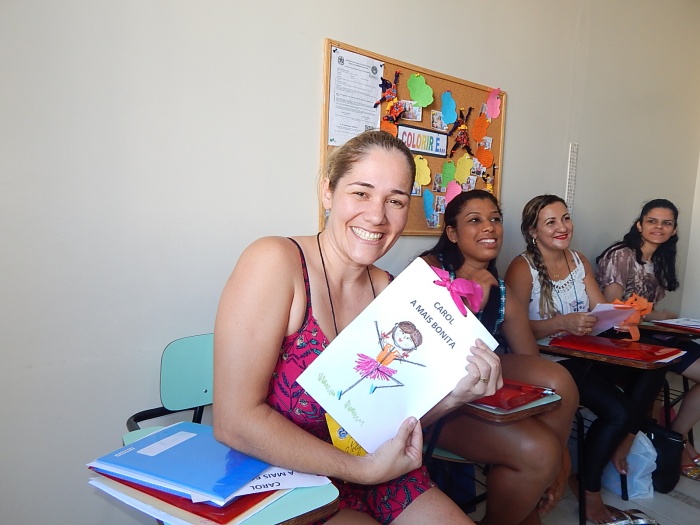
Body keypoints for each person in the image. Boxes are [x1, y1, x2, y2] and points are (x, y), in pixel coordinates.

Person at [213, 130, 499, 525]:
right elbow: (234, 422)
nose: (377, 216)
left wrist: (454, 397)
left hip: (374, 470)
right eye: (361, 193)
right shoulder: (275, 262)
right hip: (285, 479)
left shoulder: (392, 292)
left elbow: (384, 425)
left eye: (395, 201)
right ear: (327, 192)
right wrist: (363, 471)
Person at [420, 190, 580, 525]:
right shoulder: (428, 269)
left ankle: (546, 470)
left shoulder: (501, 290)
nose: (489, 227)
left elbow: (533, 364)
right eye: (474, 220)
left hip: (476, 389)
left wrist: (562, 456)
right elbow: (423, 352)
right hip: (432, 402)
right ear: (452, 233)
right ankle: (534, 488)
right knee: (538, 451)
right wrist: (470, 299)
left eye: (495, 219)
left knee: (559, 380)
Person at [505, 194, 664, 524]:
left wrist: (619, 317)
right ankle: (589, 491)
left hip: (587, 349)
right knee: (618, 411)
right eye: (551, 222)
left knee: (653, 367)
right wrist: (562, 323)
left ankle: (625, 439)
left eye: (565, 218)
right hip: (551, 360)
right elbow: (516, 329)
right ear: (533, 231)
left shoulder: (578, 260)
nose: (562, 227)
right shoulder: (522, 268)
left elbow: (597, 308)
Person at [597, 198, 700, 481]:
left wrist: (661, 319)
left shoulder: (661, 261)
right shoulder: (621, 255)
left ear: (674, 230)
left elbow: (647, 314)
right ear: (639, 225)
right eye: (652, 221)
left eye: (667, 223)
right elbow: (613, 307)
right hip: (621, 338)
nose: (659, 227)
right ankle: (676, 443)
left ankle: (675, 436)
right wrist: (657, 315)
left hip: (651, 334)